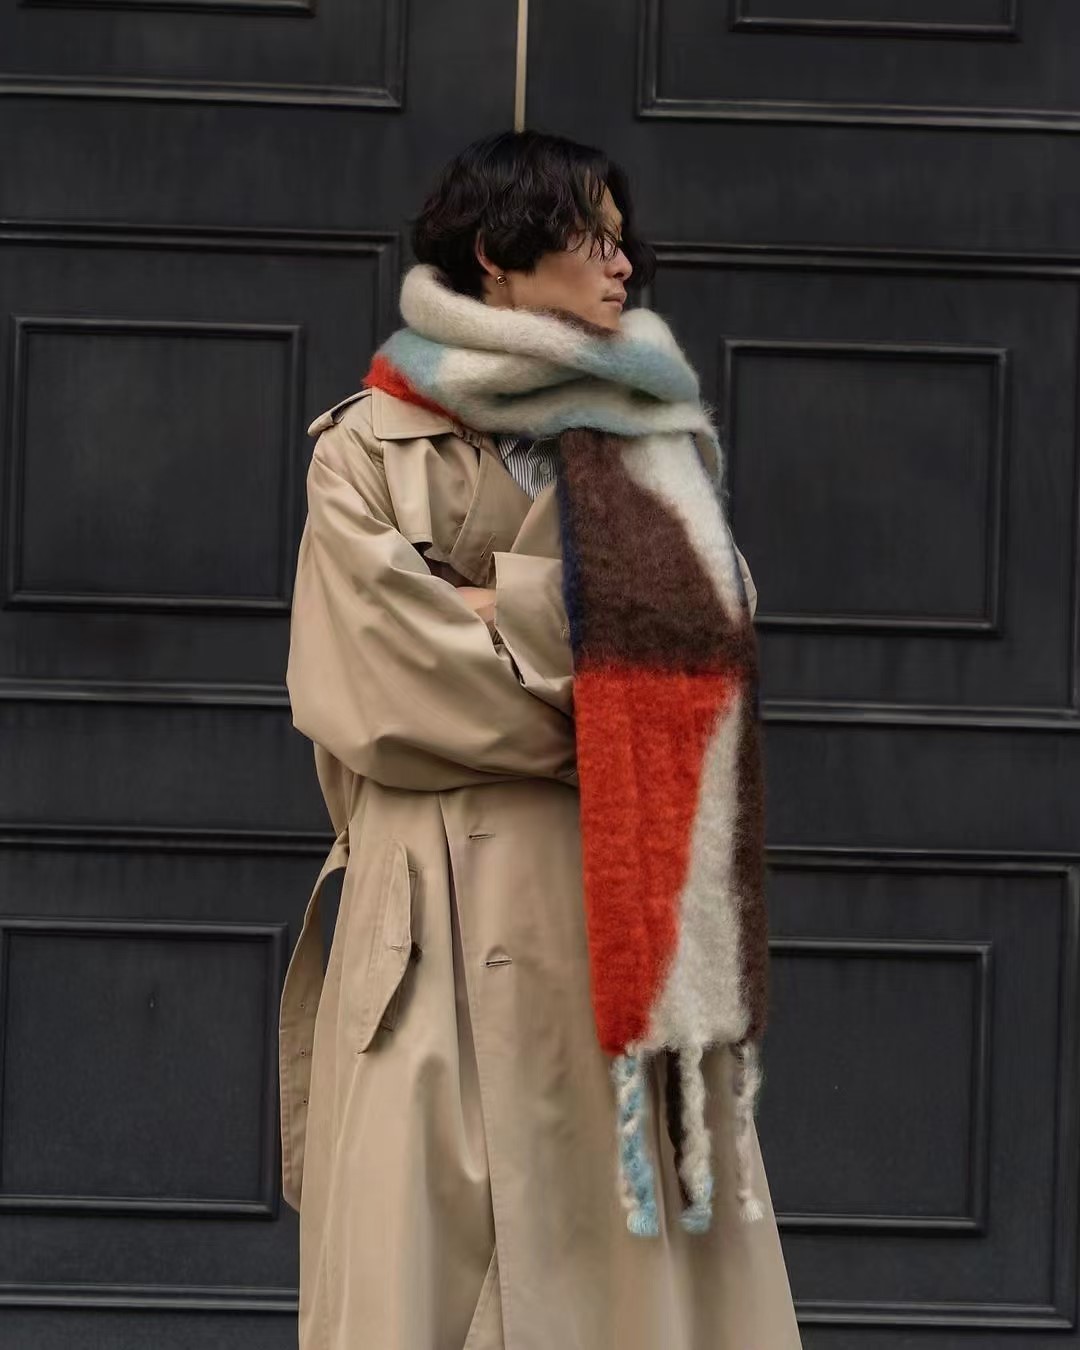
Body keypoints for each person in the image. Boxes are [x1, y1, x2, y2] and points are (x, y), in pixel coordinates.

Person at [278, 129, 801, 1350]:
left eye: (623, 238)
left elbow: (711, 639)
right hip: (427, 941)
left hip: (607, 920)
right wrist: (599, 657)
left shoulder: (651, 441)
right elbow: (383, 687)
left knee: (619, 1292)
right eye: (588, 235)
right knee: (419, 1289)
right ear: (496, 256)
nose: (623, 263)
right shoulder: (364, 448)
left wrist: (477, 603)